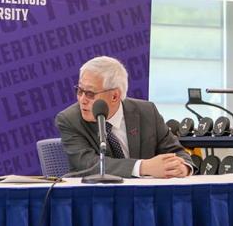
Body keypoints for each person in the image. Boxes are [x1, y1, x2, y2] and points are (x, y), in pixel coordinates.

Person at [55, 56, 194, 178]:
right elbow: (88, 164)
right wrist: (143, 167)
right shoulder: (70, 120)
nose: (82, 100)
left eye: (90, 94)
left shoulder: (147, 112)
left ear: (115, 96)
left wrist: (183, 168)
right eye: (80, 91)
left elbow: (177, 153)